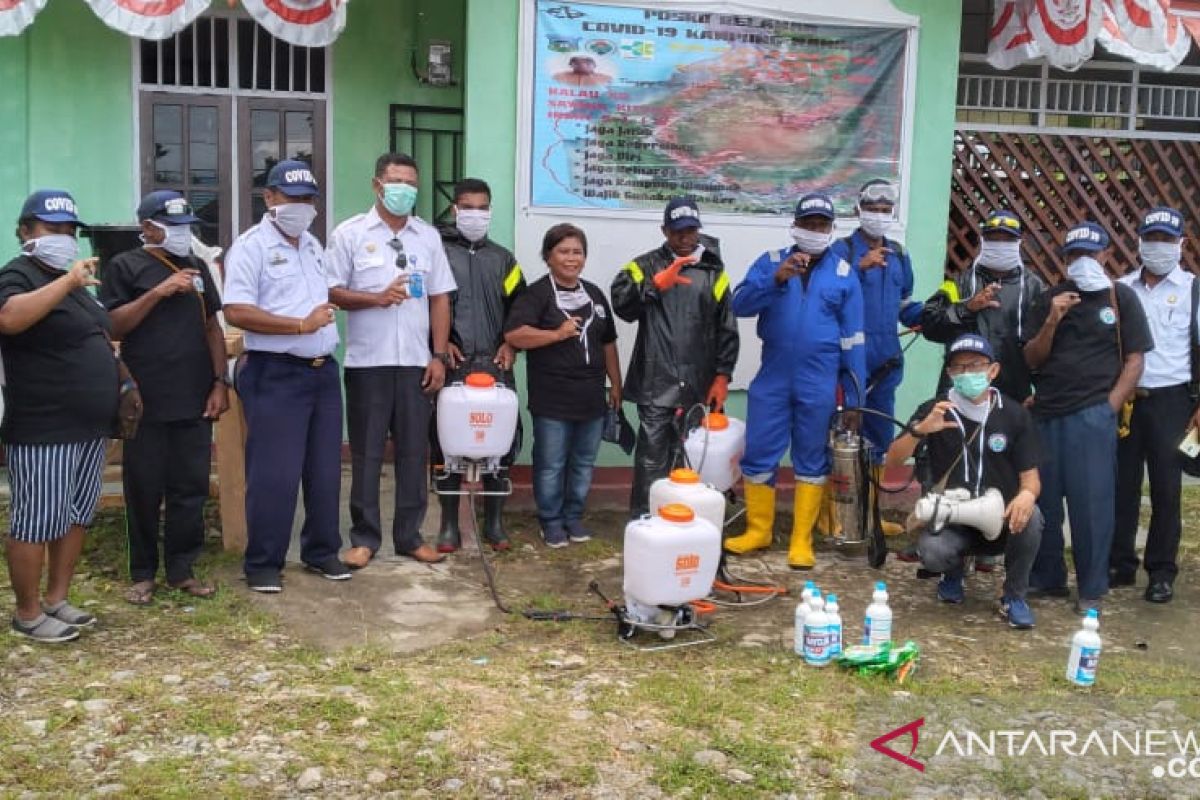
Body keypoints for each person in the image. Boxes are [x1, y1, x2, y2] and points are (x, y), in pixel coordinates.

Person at [223, 160, 348, 592]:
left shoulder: (312, 244)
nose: (302, 206)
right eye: (292, 198)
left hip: (322, 374)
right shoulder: (250, 247)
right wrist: (299, 325)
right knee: (275, 474)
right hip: (276, 372)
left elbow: (324, 296)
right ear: (270, 198)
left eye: (308, 199)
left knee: (325, 470)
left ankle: (321, 552)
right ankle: (262, 563)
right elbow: (236, 310)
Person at [723, 193, 867, 569]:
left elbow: (854, 341)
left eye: (822, 225)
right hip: (773, 376)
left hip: (819, 379)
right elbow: (738, 305)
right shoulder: (770, 262)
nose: (814, 231)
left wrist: (854, 399)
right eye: (808, 224)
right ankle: (759, 531)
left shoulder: (844, 274)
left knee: (811, 456)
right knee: (758, 451)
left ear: (832, 230)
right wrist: (776, 279)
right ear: (795, 226)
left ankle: (802, 541)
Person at [327, 153, 456, 568]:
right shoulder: (349, 234)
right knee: (365, 453)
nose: (405, 190)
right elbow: (331, 292)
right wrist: (376, 298)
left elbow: (440, 298)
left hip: (417, 362)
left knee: (414, 451)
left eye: (411, 183)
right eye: (396, 181)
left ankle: (409, 536)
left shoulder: (427, 237)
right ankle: (364, 538)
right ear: (377, 185)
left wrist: (438, 355)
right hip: (368, 362)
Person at [100, 191, 228, 606]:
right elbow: (114, 325)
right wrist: (159, 291)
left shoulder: (197, 268)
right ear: (148, 227)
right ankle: (142, 572)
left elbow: (211, 327)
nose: (182, 235)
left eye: (187, 228)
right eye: (173, 228)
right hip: (145, 398)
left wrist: (219, 382)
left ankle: (181, 569)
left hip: (193, 396)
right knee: (143, 486)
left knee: (189, 487)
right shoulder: (125, 266)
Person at [0, 190, 117, 642]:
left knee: (75, 514)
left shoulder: (81, 284)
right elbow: (9, 319)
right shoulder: (18, 275)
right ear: (26, 231)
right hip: (44, 424)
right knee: (36, 519)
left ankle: (57, 599)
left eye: (70, 229)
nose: (64, 237)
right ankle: (27, 613)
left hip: (89, 424)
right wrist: (67, 283)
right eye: (53, 228)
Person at [1025, 221, 1153, 615]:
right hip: (1046, 415)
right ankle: (1047, 579)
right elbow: (1031, 359)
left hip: (1092, 417)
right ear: (1065, 260)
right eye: (1074, 255)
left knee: (1092, 504)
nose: (1083, 261)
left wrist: (1109, 408)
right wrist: (1052, 320)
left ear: (1103, 255)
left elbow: (1135, 360)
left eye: (1089, 254)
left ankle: (1092, 588)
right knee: (1044, 502)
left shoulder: (1121, 299)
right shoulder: (1049, 299)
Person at [886, 334, 1042, 628]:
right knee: (932, 553)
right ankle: (953, 572)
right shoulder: (936, 410)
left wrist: (1026, 496)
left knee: (1032, 516)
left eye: (975, 366)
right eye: (958, 368)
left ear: (992, 370)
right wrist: (921, 430)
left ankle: (1014, 596)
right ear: (949, 374)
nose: (967, 373)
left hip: (1001, 516)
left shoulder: (1013, 414)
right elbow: (892, 459)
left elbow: (1031, 479)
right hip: (953, 517)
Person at [610, 197, 738, 518]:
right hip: (656, 384)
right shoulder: (643, 266)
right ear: (664, 230)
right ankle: (646, 521)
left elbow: (727, 328)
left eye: (691, 230)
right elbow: (621, 305)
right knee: (651, 462)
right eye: (678, 231)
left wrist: (722, 377)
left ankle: (689, 521)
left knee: (692, 460)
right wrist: (654, 286)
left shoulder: (713, 271)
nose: (685, 238)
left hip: (698, 385)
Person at [504, 223, 621, 547]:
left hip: (591, 399)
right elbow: (514, 335)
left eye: (577, 252)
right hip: (552, 399)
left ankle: (573, 516)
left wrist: (616, 385)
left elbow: (609, 342)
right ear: (548, 256)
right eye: (564, 251)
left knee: (583, 463)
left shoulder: (595, 294)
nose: (572, 258)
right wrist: (556, 334)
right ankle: (551, 521)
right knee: (551, 464)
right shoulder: (538, 294)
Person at [433, 178, 525, 553]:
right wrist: (440, 345)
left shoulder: (503, 259)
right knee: (447, 445)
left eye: (482, 207)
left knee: (498, 442)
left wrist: (510, 342)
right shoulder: (438, 252)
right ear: (455, 210)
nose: (475, 214)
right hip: (453, 363)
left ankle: (495, 523)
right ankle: (449, 525)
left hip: (495, 362)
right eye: (467, 207)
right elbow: (427, 303)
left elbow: (522, 306)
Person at [1112, 207, 1196, 604]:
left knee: (1166, 489)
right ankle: (1120, 564)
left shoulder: (1194, 290)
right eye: (1152, 238)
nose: (1158, 246)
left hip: (1172, 401)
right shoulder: (1120, 288)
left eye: (1167, 239)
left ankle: (1161, 572)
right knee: (1121, 486)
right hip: (1127, 399)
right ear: (1140, 242)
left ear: (1181, 244)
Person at [839, 179, 922, 536]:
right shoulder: (840, 251)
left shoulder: (900, 253)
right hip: (849, 362)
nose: (879, 216)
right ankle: (838, 516)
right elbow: (827, 296)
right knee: (841, 437)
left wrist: (932, 316)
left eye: (886, 210)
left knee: (878, 440)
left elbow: (905, 306)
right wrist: (859, 268)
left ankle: (870, 517)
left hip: (887, 361)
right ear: (858, 210)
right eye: (872, 209)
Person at [921, 210, 1046, 403]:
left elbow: (1044, 345)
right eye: (994, 238)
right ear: (983, 240)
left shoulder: (1034, 287)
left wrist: (1040, 391)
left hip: (1014, 396)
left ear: (1020, 242)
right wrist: (967, 308)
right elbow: (930, 326)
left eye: (1008, 240)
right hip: (959, 391)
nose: (1001, 245)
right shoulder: (959, 283)